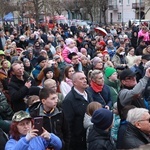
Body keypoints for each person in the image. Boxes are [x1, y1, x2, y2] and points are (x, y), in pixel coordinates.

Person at [62, 72, 93, 150]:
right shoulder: (69, 100)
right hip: (78, 141)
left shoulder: (88, 93)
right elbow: (68, 124)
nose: (85, 80)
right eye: (81, 79)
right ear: (74, 82)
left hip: (90, 135)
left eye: (85, 78)